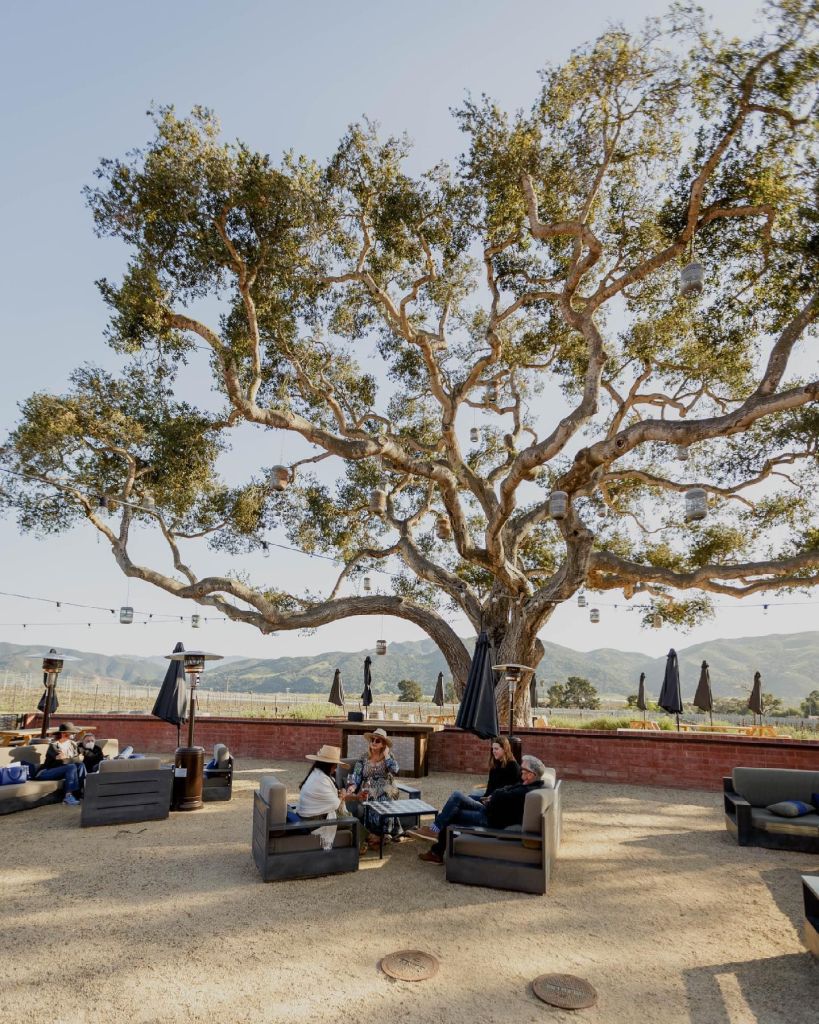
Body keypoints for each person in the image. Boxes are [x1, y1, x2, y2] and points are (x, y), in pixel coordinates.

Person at [414, 754, 549, 864]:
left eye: (523, 769)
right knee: (456, 801)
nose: (520, 770)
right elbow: (503, 791)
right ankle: (436, 835)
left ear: (531, 774)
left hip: (490, 819)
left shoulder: (526, 791)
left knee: (454, 808)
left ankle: (435, 838)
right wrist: (494, 796)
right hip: (489, 810)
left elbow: (501, 794)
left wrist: (495, 796)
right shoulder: (527, 784)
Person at [344, 727, 404, 849]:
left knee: (386, 797)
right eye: (372, 740)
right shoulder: (363, 757)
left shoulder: (389, 756)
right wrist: (352, 787)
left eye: (378, 741)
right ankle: (378, 835)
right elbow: (356, 775)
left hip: (386, 787)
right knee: (370, 796)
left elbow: (395, 770)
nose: (374, 742)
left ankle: (384, 833)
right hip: (369, 788)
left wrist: (386, 755)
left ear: (383, 744)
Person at [296, 743, 345, 850]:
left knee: (347, 815)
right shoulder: (322, 779)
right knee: (351, 820)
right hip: (312, 821)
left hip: (306, 816)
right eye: (335, 766)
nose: (335, 769)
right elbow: (335, 804)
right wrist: (342, 796)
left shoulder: (316, 773)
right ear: (329, 765)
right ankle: (360, 845)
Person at [36, 722, 87, 806]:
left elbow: (76, 760)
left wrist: (72, 759)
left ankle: (82, 792)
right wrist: (76, 759)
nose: (73, 735)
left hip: (63, 771)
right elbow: (64, 762)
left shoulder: (72, 744)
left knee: (80, 765)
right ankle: (68, 797)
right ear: (63, 734)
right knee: (71, 767)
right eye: (71, 733)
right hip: (47, 772)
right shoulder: (54, 746)